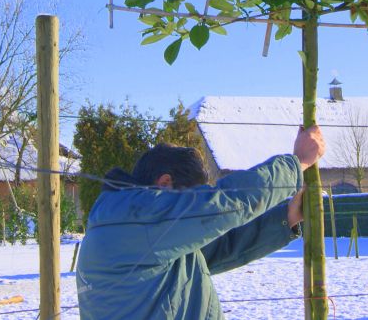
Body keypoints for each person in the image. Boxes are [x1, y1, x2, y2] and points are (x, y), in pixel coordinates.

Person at [75, 125, 326, 320]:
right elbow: (224, 203)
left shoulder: (132, 226)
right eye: (196, 196)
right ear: (165, 184)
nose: (201, 210)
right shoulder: (137, 218)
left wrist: (286, 218)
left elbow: (216, 247)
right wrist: (296, 164)